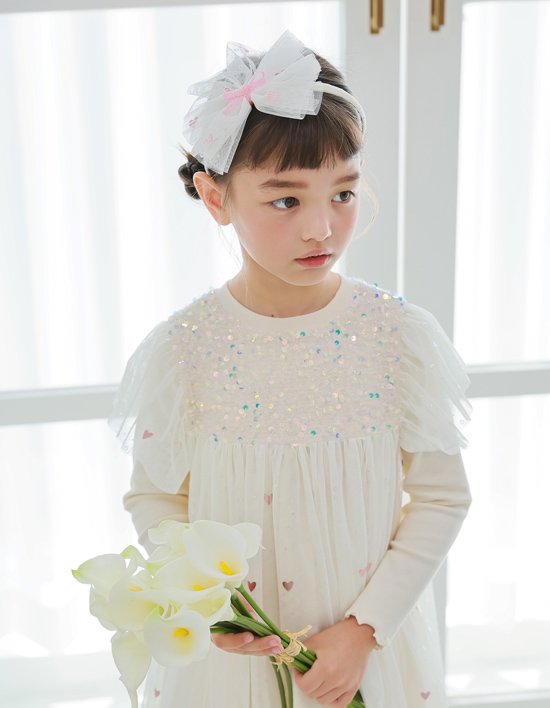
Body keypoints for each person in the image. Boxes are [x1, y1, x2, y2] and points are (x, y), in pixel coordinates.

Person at [108, 29, 473, 708]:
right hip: (231, 667)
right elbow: (154, 498)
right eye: (286, 200)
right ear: (215, 197)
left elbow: (442, 497)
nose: (321, 228)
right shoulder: (183, 351)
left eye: (343, 194)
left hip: (366, 655)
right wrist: (215, 607)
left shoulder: (396, 337)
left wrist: (363, 631)